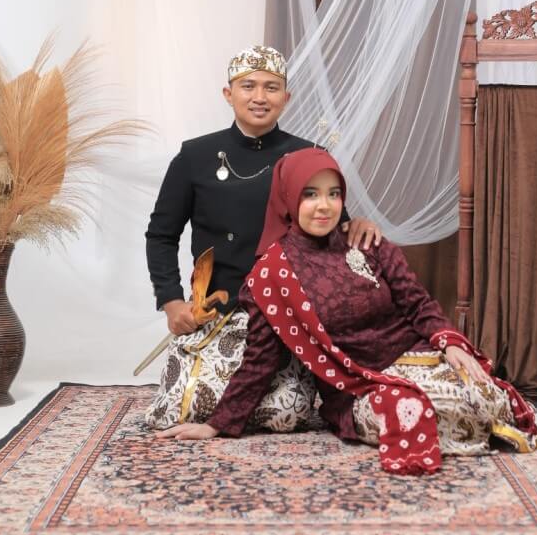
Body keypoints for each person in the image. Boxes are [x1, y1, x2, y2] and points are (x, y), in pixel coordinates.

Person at [157, 148, 537, 475]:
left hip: (417, 358)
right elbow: (260, 361)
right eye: (310, 194)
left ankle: (529, 421)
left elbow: (417, 303)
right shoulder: (271, 276)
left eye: (333, 194)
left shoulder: (366, 243)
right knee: (412, 409)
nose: (324, 206)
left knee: (476, 385)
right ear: (288, 198)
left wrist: (449, 344)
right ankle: (508, 426)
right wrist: (217, 425)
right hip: (358, 389)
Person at [146, 46, 381, 334]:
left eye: (271, 87)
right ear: (228, 94)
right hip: (216, 311)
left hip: (296, 312)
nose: (260, 97)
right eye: (248, 86)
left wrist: (356, 226)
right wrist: (171, 301)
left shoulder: (310, 155)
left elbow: (334, 230)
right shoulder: (194, 156)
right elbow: (161, 235)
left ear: (286, 98)